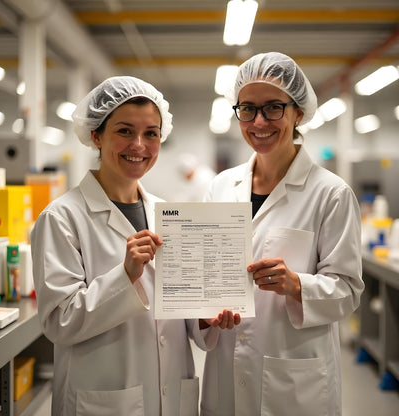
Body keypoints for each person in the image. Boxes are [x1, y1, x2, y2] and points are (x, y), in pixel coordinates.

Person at [31, 76, 239, 416]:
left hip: (171, 395)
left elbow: (178, 315)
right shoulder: (62, 217)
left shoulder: (167, 214)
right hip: (103, 397)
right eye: (125, 131)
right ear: (96, 135)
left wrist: (203, 317)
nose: (139, 145)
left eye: (151, 133)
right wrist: (124, 276)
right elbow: (59, 322)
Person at [200, 52, 365, 416]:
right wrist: (204, 313)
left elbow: (349, 290)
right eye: (248, 108)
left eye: (274, 107)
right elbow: (207, 276)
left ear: (298, 113)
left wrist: (296, 285)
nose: (259, 121)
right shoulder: (221, 187)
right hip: (227, 368)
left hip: (294, 379)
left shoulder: (330, 194)